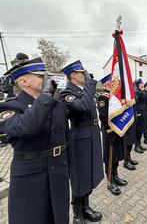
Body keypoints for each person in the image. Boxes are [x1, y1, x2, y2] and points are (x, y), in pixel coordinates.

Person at [0, 57, 70, 224]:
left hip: (58, 171)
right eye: (40, 76)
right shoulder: (10, 106)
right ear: (23, 81)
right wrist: (45, 96)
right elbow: (26, 127)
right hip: (31, 178)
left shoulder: (55, 104)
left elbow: (65, 137)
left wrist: (70, 166)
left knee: (60, 218)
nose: (46, 79)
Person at [60, 60, 103, 224]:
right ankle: (77, 213)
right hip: (79, 138)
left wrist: (88, 86)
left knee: (89, 173)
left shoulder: (84, 90)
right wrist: (90, 84)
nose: (84, 74)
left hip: (92, 134)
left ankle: (86, 207)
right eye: (81, 72)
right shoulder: (67, 93)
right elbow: (83, 106)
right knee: (79, 177)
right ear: (73, 75)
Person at [97, 74, 128, 196]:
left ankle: (116, 176)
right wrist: (111, 128)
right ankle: (110, 181)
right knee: (109, 157)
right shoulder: (103, 97)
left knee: (116, 156)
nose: (114, 83)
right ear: (106, 84)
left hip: (117, 130)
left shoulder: (114, 96)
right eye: (112, 82)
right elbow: (103, 116)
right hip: (109, 131)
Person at [134, 78, 147, 154]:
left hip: (142, 112)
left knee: (141, 129)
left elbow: (144, 99)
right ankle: (136, 146)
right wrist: (137, 113)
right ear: (139, 84)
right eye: (142, 83)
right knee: (138, 130)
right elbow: (136, 103)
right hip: (139, 113)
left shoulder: (140, 91)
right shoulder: (136, 92)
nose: (143, 84)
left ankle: (139, 144)